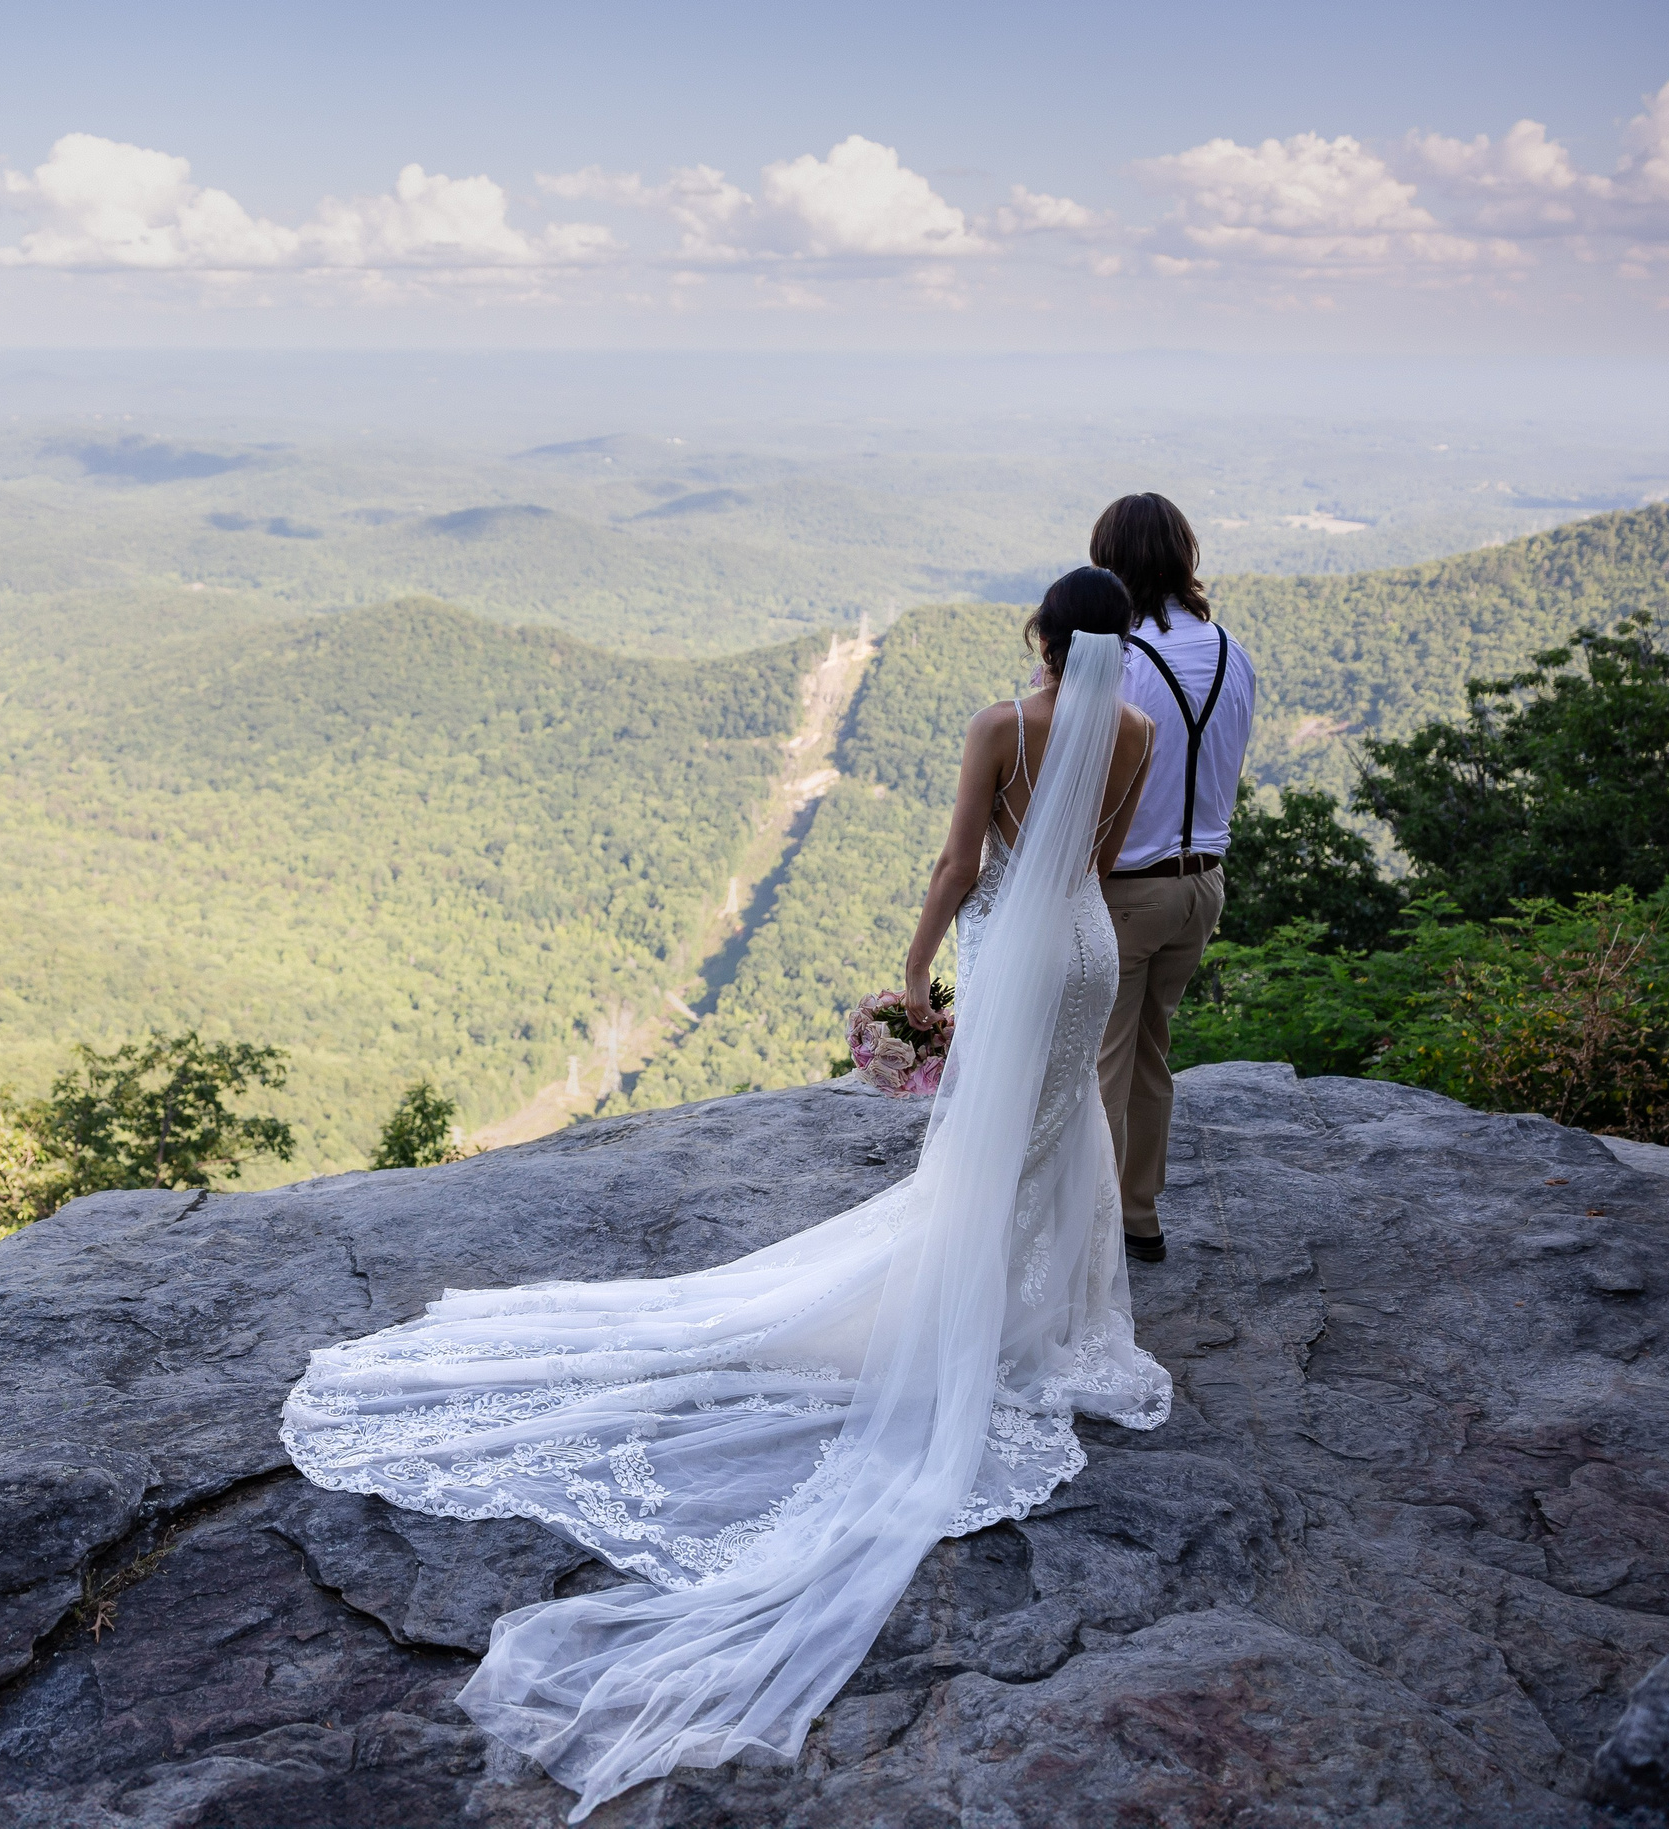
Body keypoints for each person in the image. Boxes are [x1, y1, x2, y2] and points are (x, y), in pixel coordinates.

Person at [282, 571, 1171, 1821]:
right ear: (1118, 642)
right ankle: (1035, 1320)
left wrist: (917, 972)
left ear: (1040, 635)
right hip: (1085, 949)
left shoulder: (1000, 724)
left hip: (1015, 951)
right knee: (1055, 1130)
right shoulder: (1136, 728)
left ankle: (962, 1317)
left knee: (981, 1150)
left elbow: (960, 861)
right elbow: (1100, 857)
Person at [1087, 494, 1257, 1263]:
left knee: (1101, 1059)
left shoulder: (1118, 660)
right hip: (1202, 887)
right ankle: (1139, 1214)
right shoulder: (1232, 651)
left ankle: (1087, 1233)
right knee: (1150, 1049)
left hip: (1128, 888)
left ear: (1112, 562)